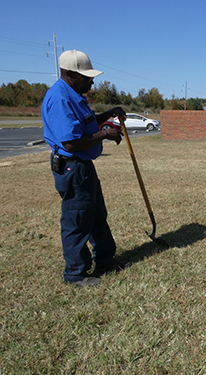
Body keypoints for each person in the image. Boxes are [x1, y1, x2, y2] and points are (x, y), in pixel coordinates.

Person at [42, 50, 130, 288]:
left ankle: (104, 260)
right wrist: (105, 134)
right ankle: (76, 274)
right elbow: (70, 142)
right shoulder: (60, 98)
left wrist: (108, 115)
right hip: (72, 167)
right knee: (78, 218)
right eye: (87, 77)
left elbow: (85, 125)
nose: (92, 81)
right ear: (70, 74)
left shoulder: (74, 95)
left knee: (96, 215)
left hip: (83, 167)